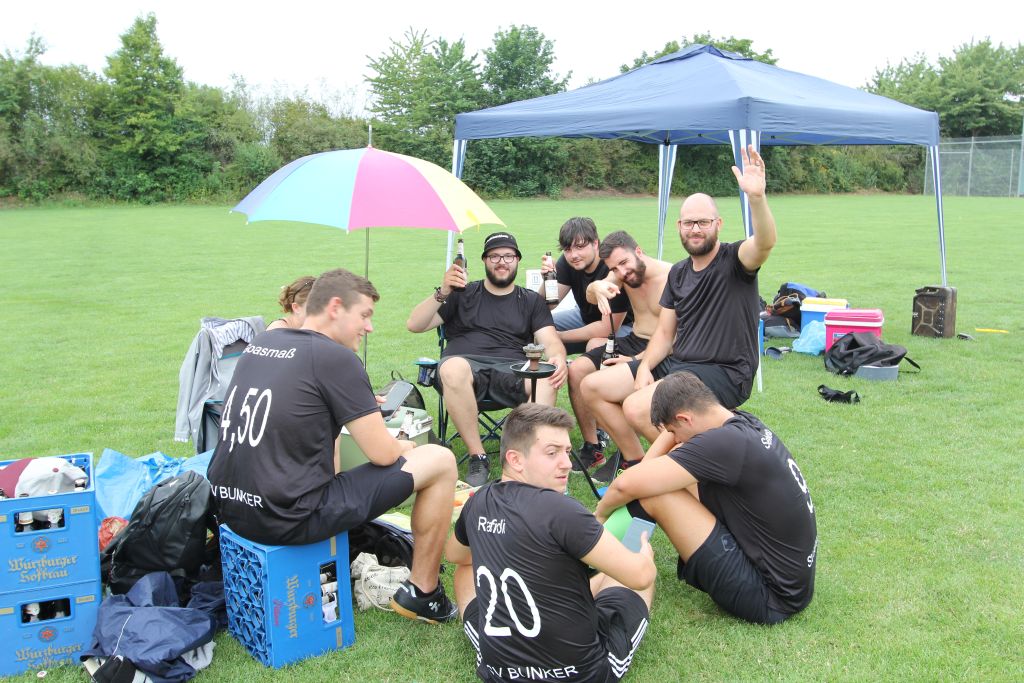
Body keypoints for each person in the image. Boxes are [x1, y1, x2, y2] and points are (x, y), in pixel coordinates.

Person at [208, 268, 460, 624]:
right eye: (364, 315)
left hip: (230, 510)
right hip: (287, 518)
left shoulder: (263, 343)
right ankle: (424, 593)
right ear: (335, 307)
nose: (369, 327)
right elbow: (383, 454)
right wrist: (406, 446)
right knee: (440, 459)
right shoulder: (335, 358)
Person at [580, 145, 777, 475]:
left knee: (637, 407)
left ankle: (692, 473)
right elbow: (665, 332)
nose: (695, 229)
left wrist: (757, 198)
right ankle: (636, 462)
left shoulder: (735, 261)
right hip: (680, 365)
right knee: (592, 386)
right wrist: (644, 366)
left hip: (724, 370)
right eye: (689, 223)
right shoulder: (679, 274)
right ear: (679, 226)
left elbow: (764, 243)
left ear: (718, 224)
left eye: (703, 222)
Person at [446, 403, 656, 682]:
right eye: (552, 452)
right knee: (634, 560)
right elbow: (640, 577)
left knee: (465, 570)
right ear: (515, 459)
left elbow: (455, 555)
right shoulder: (564, 512)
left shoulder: (479, 501)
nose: (567, 463)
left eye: (567, 452)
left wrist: (510, 544)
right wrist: (645, 555)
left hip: (499, 672)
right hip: (580, 674)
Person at [595, 372, 816, 625]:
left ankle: (601, 554)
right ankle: (619, 557)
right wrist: (656, 453)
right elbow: (666, 449)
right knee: (669, 465)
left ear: (685, 418)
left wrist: (599, 515)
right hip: (793, 586)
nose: (674, 437)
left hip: (769, 597)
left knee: (656, 494)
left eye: (674, 430)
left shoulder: (724, 443)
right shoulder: (739, 423)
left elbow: (624, 486)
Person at [407, 232, 568, 487]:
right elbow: (415, 324)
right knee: (453, 367)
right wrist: (444, 291)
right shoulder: (461, 294)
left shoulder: (530, 301)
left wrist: (558, 358)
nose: (501, 262)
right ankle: (478, 456)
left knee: (548, 377)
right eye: (494, 256)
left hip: (512, 370)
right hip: (465, 368)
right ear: (484, 260)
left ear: (517, 260)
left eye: (508, 256)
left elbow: (551, 341)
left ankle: (526, 458)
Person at [573, 231, 672, 479]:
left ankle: (632, 458)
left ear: (638, 251)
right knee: (577, 370)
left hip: (663, 348)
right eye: (614, 268)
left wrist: (636, 360)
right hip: (634, 339)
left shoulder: (672, 277)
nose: (622, 272)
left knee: (600, 384)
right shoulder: (621, 273)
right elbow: (594, 294)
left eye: (624, 263)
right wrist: (595, 287)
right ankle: (596, 446)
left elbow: (674, 337)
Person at [538, 217, 630, 355]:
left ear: (595, 243)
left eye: (580, 247)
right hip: (584, 317)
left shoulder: (612, 265)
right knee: (539, 328)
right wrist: (547, 281)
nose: (573, 255)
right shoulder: (568, 261)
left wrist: (559, 336)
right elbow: (545, 306)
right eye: (567, 249)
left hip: (623, 326)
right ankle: (554, 366)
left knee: (595, 346)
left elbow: (607, 328)